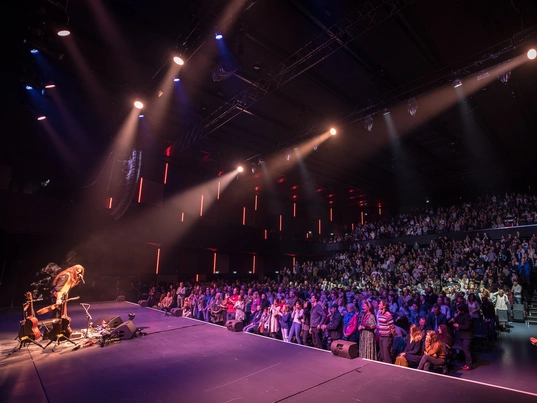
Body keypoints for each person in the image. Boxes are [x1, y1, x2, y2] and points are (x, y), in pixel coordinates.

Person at [452, 303, 473, 370]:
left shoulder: (467, 316)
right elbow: (456, 320)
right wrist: (455, 318)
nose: (457, 311)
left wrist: (458, 326)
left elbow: (467, 326)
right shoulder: (460, 315)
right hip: (462, 335)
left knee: (466, 350)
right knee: (465, 349)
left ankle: (469, 365)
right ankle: (467, 363)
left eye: (458, 310)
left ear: (462, 310)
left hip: (467, 336)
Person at [377, 299, 394, 363]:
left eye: (380, 304)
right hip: (381, 336)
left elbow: (392, 327)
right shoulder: (379, 313)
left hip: (387, 337)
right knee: (382, 354)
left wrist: (392, 338)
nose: (378, 305)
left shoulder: (388, 314)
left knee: (386, 354)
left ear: (384, 306)